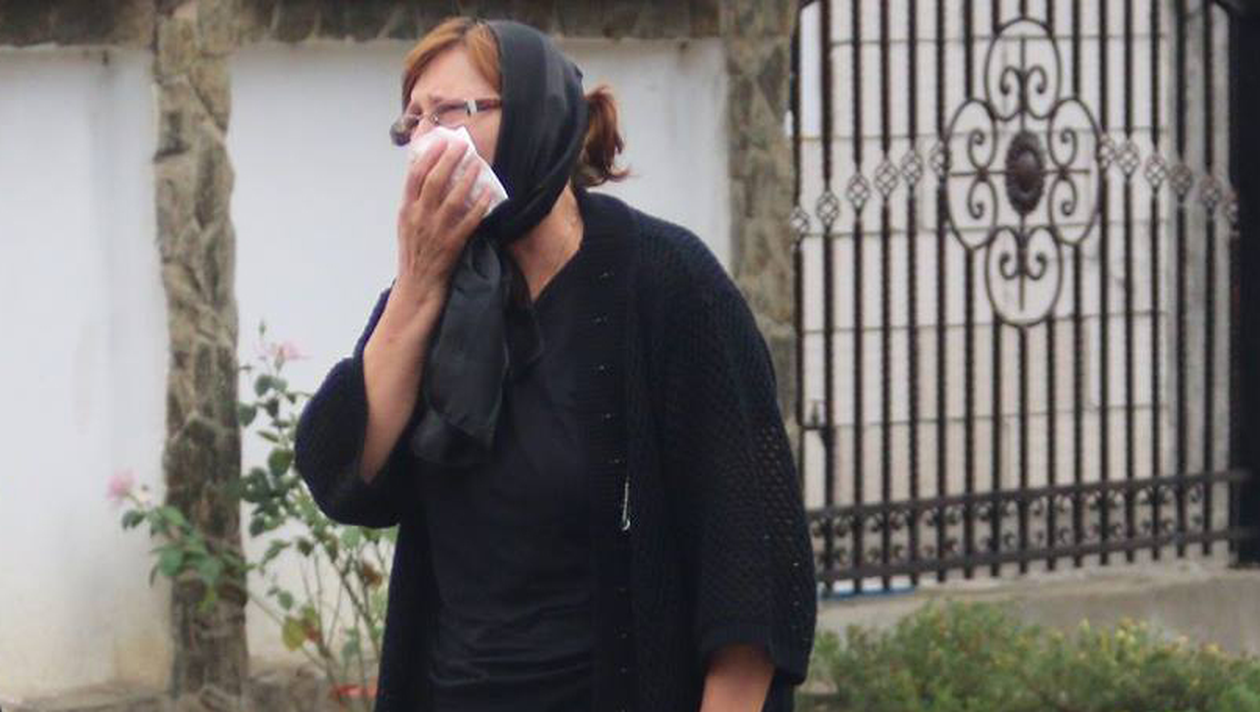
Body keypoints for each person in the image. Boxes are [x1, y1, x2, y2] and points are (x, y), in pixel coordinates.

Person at [293, 16, 816, 712]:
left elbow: (749, 573)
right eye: (412, 123)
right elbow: (341, 474)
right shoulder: (441, 293)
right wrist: (418, 283)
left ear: (534, 117)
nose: (425, 143)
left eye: (448, 114)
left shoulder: (667, 282)